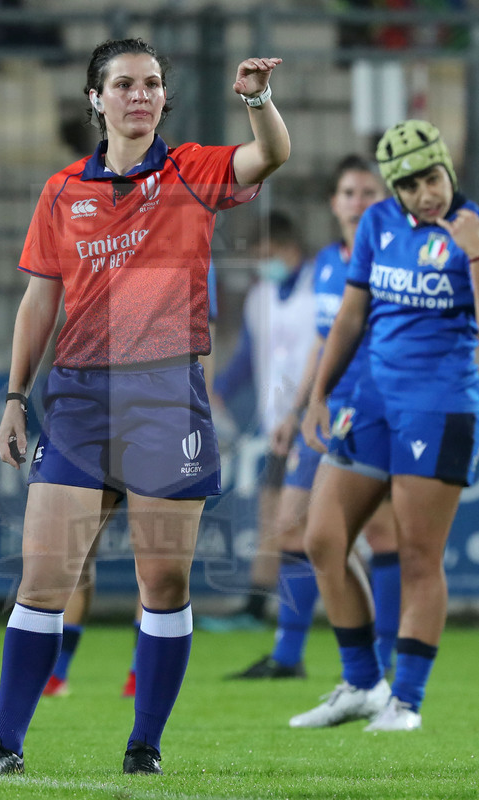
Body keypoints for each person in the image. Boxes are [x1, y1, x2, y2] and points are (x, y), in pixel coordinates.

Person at [0, 37, 290, 777]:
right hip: (78, 397)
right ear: (95, 98)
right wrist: (16, 396)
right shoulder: (60, 191)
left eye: (151, 84)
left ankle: (145, 747)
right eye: (124, 85)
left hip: (167, 395)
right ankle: (5, 744)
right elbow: (39, 298)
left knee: (161, 583)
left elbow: (268, 156)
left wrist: (257, 100)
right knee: (44, 576)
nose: (139, 95)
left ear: (163, 98)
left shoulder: (193, 170)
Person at [289, 120, 479, 732]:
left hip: (438, 404)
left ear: (449, 169)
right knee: (322, 538)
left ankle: (408, 702)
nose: (428, 193)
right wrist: (319, 393)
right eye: (412, 184)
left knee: (420, 555)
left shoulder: (473, 229)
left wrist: (473, 251)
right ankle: (364, 682)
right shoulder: (377, 225)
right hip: (369, 400)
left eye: (434, 177)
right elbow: (350, 316)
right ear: (393, 191)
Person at [228, 155, 401, 680]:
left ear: (384, 200)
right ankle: (288, 655)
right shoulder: (328, 263)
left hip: (380, 410)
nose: (357, 201)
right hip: (331, 412)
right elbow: (324, 339)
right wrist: (304, 404)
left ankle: (384, 658)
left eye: (368, 191)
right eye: (349, 192)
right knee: (292, 528)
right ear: (334, 202)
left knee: (384, 535)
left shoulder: (396, 257)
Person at [42, 260, 220, 700]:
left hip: (160, 413)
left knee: (156, 563)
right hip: (91, 411)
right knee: (76, 555)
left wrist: (200, 409)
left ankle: (141, 676)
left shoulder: (182, 247)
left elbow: (202, 340)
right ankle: (55, 675)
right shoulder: (97, 240)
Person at [197, 210, 317, 633]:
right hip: (278, 423)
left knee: (319, 525)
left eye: (267, 254)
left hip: (317, 421)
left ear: (289, 249)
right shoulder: (260, 296)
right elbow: (250, 354)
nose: (262, 264)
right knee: (273, 515)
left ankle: (345, 619)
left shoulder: (320, 287)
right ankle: (257, 607)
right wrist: (220, 391)